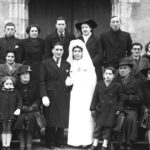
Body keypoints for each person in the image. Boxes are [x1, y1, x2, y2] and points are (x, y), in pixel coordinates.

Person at [40, 41, 71, 149]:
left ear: (63, 51)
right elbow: (42, 81)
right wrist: (44, 95)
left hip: (63, 94)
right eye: (56, 49)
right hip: (50, 94)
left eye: (61, 50)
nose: (58, 52)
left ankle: (60, 141)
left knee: (61, 118)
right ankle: (50, 142)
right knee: (51, 118)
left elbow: (69, 80)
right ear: (52, 50)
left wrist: (69, 84)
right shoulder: (45, 63)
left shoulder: (67, 64)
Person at [67, 39, 96, 147]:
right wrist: (68, 81)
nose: (77, 53)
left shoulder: (88, 64)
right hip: (75, 93)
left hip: (86, 92)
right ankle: (75, 140)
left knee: (86, 115)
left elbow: (93, 78)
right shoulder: (69, 63)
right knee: (76, 115)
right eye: (75, 51)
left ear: (82, 52)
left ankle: (86, 140)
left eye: (79, 51)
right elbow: (66, 77)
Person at [90, 66, 122, 150]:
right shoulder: (99, 84)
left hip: (111, 110)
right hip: (100, 109)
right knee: (98, 127)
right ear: (104, 75)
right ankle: (95, 143)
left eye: (110, 74)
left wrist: (119, 109)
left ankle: (104, 144)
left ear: (113, 76)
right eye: (106, 73)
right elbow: (95, 97)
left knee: (108, 128)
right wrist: (92, 108)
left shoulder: (117, 86)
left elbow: (120, 98)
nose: (108, 76)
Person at [116, 58, 142, 150]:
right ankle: (122, 142)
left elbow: (140, 98)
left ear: (130, 70)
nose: (122, 70)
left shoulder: (136, 82)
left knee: (130, 118)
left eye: (124, 68)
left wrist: (128, 97)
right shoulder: (115, 81)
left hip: (131, 108)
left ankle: (129, 143)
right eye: (120, 68)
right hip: (118, 108)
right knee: (121, 117)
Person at [14, 65, 40, 150]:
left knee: (30, 118)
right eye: (23, 74)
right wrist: (20, 107)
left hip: (32, 109)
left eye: (27, 74)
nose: (25, 75)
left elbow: (38, 98)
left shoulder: (35, 84)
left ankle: (29, 145)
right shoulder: (16, 85)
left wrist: (33, 107)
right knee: (20, 119)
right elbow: (14, 98)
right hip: (20, 110)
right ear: (19, 76)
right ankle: (22, 145)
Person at [0, 76, 22, 150]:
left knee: (9, 129)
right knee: (3, 128)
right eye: (7, 83)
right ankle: (4, 144)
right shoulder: (1, 92)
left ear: (13, 84)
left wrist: (18, 109)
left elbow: (20, 101)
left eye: (10, 83)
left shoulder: (16, 92)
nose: (9, 84)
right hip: (2, 114)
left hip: (12, 114)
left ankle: (8, 144)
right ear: (3, 84)